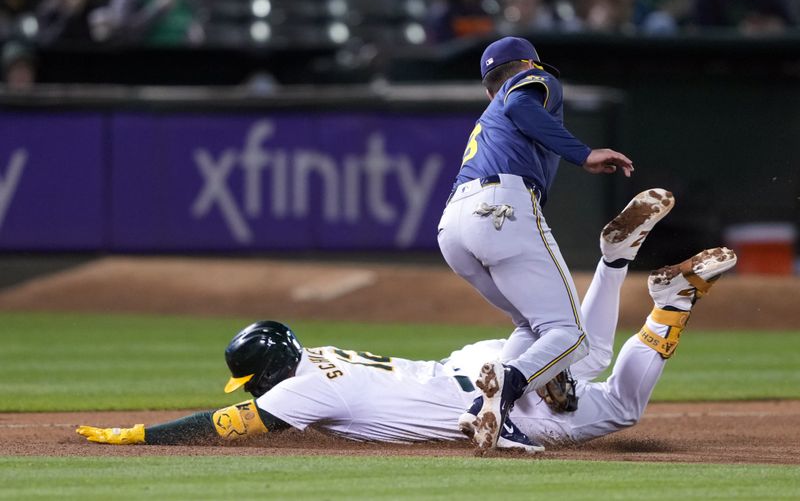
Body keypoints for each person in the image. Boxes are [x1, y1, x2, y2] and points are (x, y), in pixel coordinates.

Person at [77, 191, 737, 453]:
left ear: (269, 374)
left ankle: (665, 298)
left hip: (478, 397)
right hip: (466, 366)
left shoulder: (298, 391)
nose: (252, 393)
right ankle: (618, 263)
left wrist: (136, 434)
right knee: (582, 353)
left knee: (619, 402)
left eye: (253, 381)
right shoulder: (323, 355)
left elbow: (225, 425)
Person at [435, 35, 634, 450]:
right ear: (528, 65)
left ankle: (484, 411)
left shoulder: (490, 111)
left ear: (487, 87)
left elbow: (511, 109)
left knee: (534, 325)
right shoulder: (532, 79)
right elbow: (523, 105)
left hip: (452, 226)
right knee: (570, 333)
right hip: (499, 207)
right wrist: (584, 153)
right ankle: (507, 386)